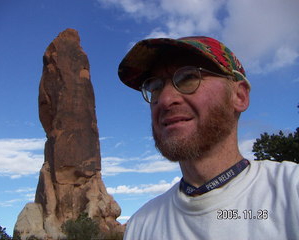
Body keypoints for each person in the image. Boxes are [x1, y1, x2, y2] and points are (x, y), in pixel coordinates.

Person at [117, 36, 299, 240]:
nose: (165, 100)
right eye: (155, 87)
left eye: (188, 77)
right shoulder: (140, 226)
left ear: (239, 96)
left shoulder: (291, 191)